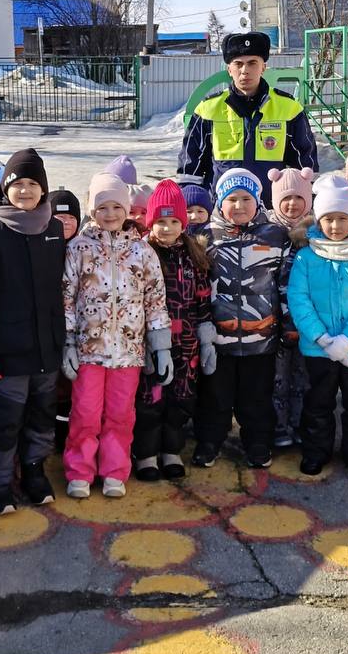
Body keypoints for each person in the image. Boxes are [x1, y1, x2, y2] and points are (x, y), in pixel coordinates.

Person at [0, 148, 66, 515]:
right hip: (8, 349)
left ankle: (35, 471)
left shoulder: (54, 229)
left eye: (32, 184)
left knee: (42, 414)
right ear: (5, 189)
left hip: (47, 346)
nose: (25, 191)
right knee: (5, 419)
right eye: (17, 184)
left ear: (43, 189)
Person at [61, 172, 172, 499]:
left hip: (129, 353)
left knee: (121, 415)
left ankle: (114, 470)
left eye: (116, 207)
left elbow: (155, 300)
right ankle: (80, 470)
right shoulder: (79, 248)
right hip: (89, 350)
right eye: (102, 207)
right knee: (85, 413)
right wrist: (68, 341)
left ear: (126, 210)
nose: (110, 214)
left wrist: (161, 347)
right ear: (92, 210)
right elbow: (66, 296)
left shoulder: (142, 251)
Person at [288, 177, 348, 479]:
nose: (335, 226)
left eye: (342, 218)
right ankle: (316, 451)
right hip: (318, 347)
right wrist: (321, 337)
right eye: (328, 219)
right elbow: (299, 299)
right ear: (319, 219)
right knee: (318, 402)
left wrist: (347, 339)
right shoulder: (306, 256)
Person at [194, 168, 291, 469]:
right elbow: (196, 285)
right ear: (220, 202)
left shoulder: (275, 237)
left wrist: (288, 324)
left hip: (260, 338)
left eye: (246, 199)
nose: (238, 206)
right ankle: (210, 441)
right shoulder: (204, 237)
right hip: (218, 338)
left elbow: (285, 284)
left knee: (256, 397)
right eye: (231, 199)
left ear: (258, 201)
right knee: (215, 396)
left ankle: (257, 443)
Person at [178, 31, 319, 206]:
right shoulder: (207, 109)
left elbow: (305, 166)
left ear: (263, 67)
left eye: (252, 63)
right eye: (238, 64)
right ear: (229, 69)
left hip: (273, 210)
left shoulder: (289, 108)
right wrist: (192, 209)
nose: (245, 70)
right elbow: (190, 170)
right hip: (222, 211)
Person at [134, 180, 215, 481]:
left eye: (173, 221)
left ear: (183, 224)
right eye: (160, 222)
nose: (166, 228)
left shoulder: (195, 258)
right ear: (150, 222)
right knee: (150, 400)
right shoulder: (142, 255)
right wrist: (143, 344)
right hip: (153, 345)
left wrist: (206, 341)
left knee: (181, 400)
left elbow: (203, 302)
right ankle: (145, 454)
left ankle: (171, 450)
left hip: (187, 345)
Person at [266, 166, 316, 449]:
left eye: (299, 198)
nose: (293, 204)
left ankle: (299, 423)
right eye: (286, 198)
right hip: (275, 321)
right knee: (277, 378)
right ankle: (279, 425)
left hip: (308, 321)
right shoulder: (269, 232)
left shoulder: (316, 233)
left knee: (302, 377)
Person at [46, 187, 82, 451]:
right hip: (50, 331)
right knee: (54, 387)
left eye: (71, 218)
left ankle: (70, 433)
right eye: (58, 219)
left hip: (81, 332)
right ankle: (54, 432)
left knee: (74, 387)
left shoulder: (84, 250)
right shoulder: (44, 249)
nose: (65, 223)